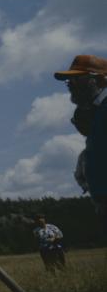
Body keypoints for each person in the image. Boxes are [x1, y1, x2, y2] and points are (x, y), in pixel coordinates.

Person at [54, 54, 107, 231]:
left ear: (99, 80)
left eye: (76, 79)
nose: (70, 85)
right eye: (68, 81)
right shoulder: (95, 111)